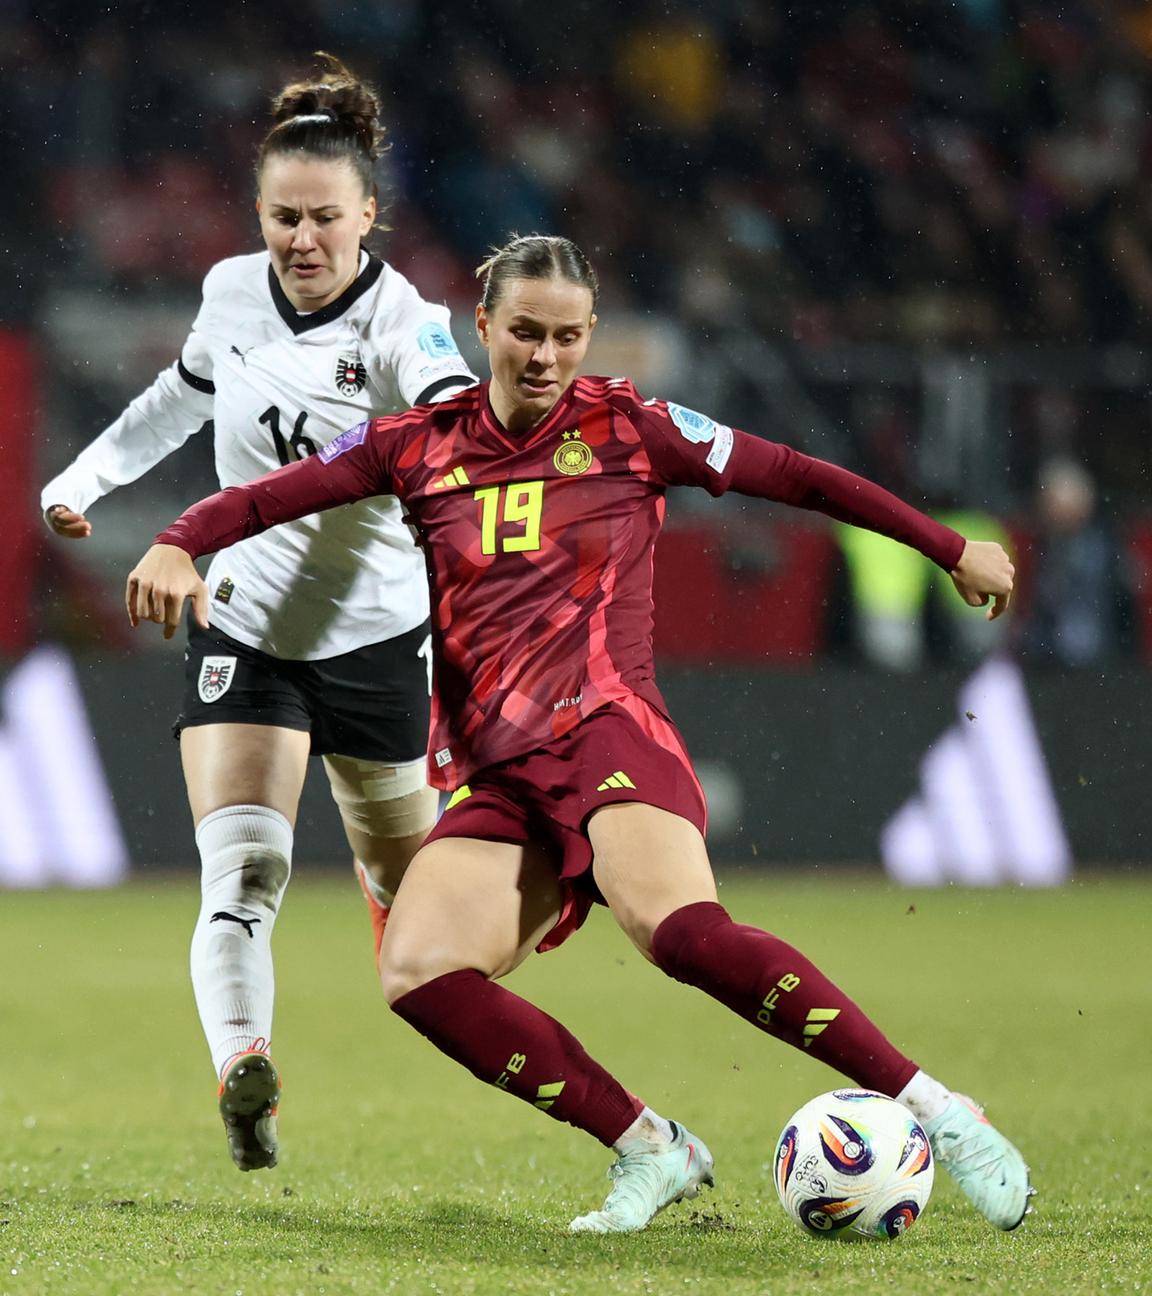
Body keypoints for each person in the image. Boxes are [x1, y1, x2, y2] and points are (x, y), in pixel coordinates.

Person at [125, 234, 1033, 1233]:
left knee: (680, 933)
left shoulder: (633, 427)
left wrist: (948, 547)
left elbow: (801, 478)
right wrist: (178, 542)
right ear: (483, 328)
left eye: (566, 335)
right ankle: (651, 1148)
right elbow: (265, 496)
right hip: (496, 774)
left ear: (591, 334)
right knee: (418, 971)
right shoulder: (414, 443)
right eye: (524, 332)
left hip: (607, 732)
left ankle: (940, 1113)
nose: (545, 356)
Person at [41, 55, 476, 1174]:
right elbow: (176, 398)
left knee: (409, 898)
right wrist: (81, 483)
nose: (303, 239)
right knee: (242, 877)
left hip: (379, 641)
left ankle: (440, 973)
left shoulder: (405, 324)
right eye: (283, 216)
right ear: (258, 215)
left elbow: (453, 421)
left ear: (370, 215)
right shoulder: (232, 290)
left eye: (327, 217)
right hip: (246, 629)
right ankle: (245, 1067)